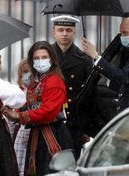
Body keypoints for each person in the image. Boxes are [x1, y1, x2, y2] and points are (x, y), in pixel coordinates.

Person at [1, 41, 74, 176]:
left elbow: (48, 111)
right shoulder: (38, 82)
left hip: (51, 136)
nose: (40, 61)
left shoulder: (54, 81)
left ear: (51, 59)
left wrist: (19, 116)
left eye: (44, 57)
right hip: (37, 135)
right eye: (37, 58)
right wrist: (14, 111)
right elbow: (30, 105)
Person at [51, 15, 93, 159]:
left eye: (69, 30)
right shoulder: (45, 56)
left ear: (74, 33)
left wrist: (86, 128)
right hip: (50, 119)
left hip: (74, 122)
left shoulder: (84, 59)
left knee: (71, 165)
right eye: (60, 30)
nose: (64, 34)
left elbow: (89, 95)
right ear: (53, 32)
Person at [81, 16, 129, 113]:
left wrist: (96, 56)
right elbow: (126, 86)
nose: (121, 37)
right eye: (120, 33)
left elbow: (124, 76)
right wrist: (106, 75)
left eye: (125, 33)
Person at [12, 59, 31, 176]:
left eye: (30, 71)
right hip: (20, 133)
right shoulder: (17, 92)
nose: (28, 75)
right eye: (25, 72)